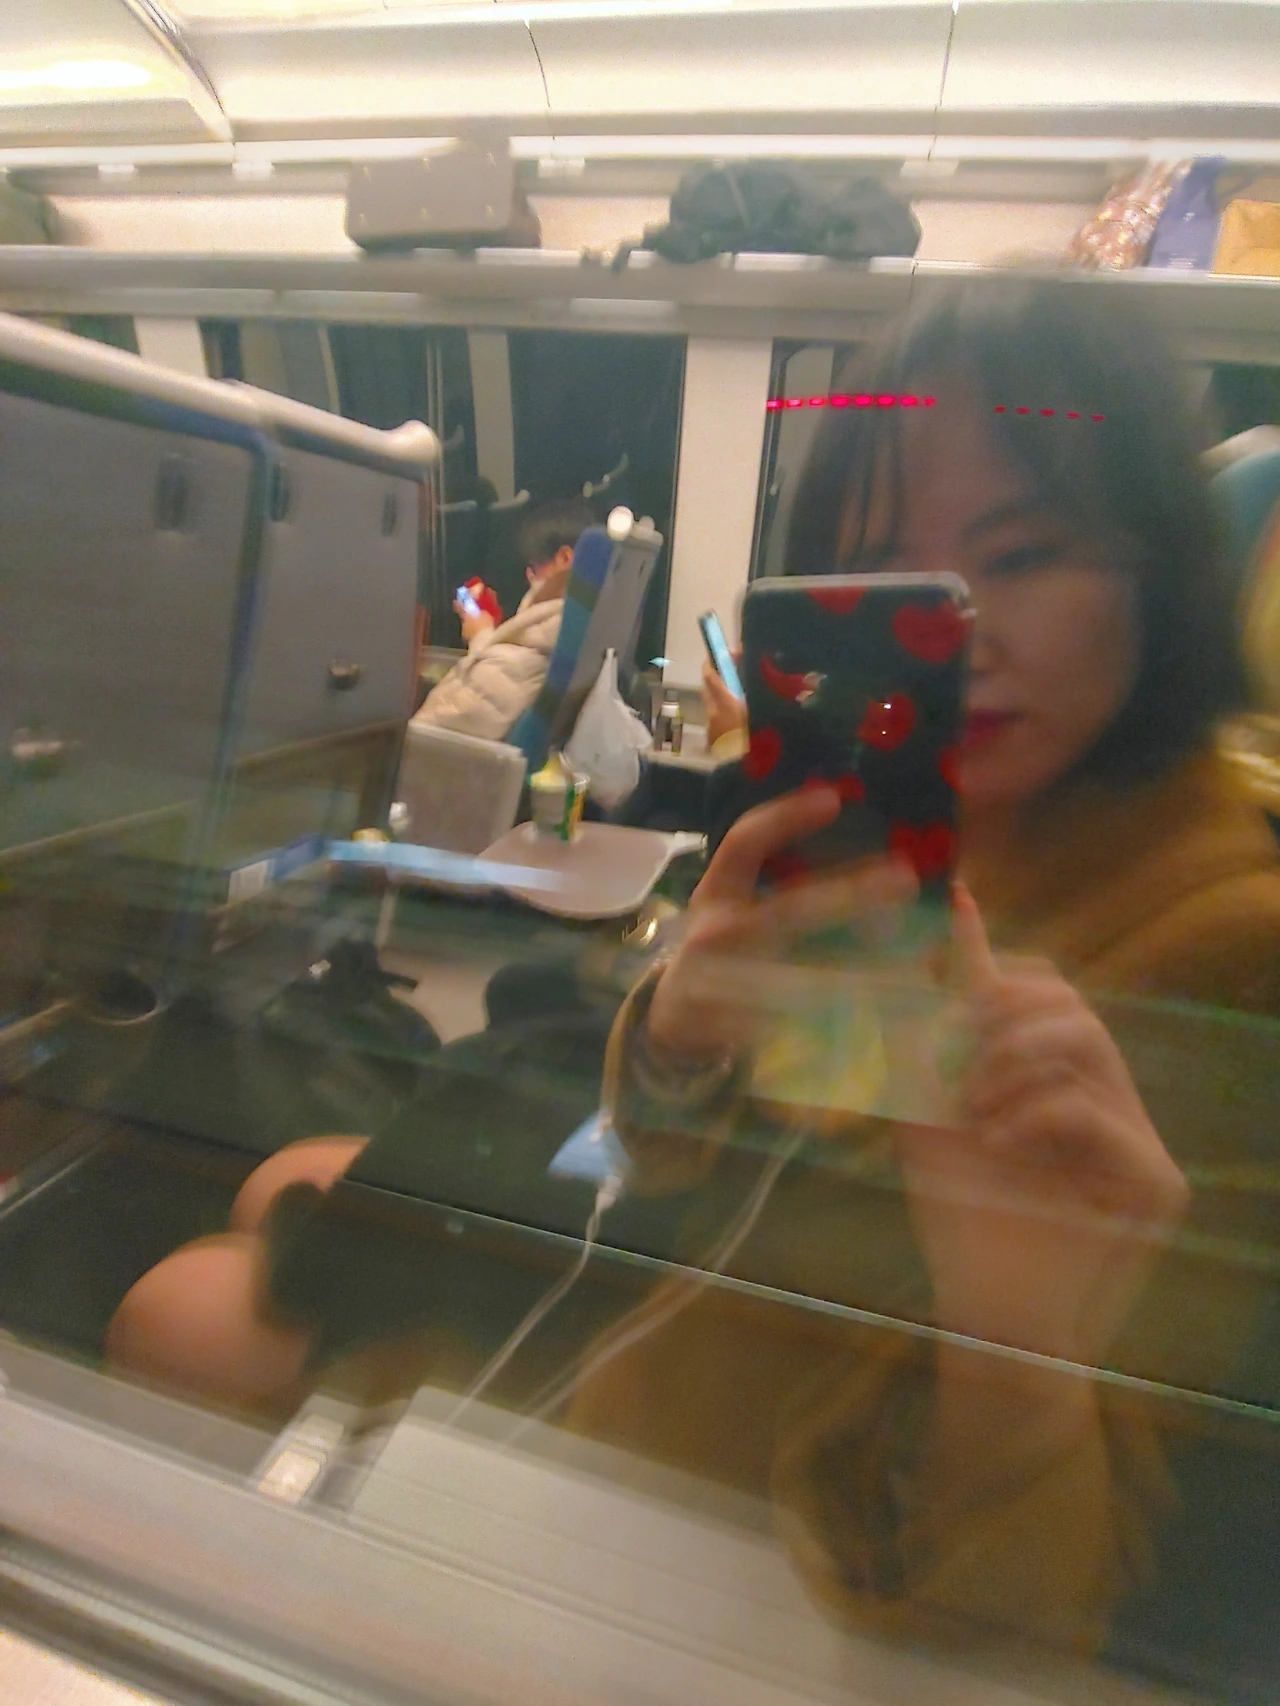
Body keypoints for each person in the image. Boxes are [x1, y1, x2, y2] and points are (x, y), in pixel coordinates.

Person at [108, 285, 1280, 1659]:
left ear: (1158, 576)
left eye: (1022, 555)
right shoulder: (944, 813)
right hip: (675, 1288)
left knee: (173, 1312)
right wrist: (679, 1032)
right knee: (281, 1175)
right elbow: (716, 1156)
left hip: (756, 1517)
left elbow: (1065, 1607)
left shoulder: (1227, 948)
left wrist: (1015, 1336)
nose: (963, 637)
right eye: (891, 577)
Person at [412, 498, 592, 741]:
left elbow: (454, 718)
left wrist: (481, 636)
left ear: (564, 559)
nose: (529, 577)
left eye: (534, 567)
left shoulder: (537, 650)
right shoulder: (583, 631)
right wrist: (493, 634)